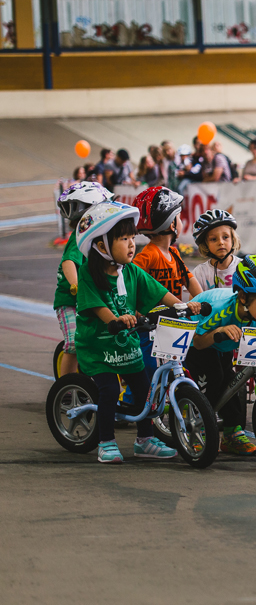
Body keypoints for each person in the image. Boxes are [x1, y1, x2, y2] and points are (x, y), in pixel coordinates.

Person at [74, 201, 189, 463]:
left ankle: (145, 440)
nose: (131, 244)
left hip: (126, 346)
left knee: (144, 390)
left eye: (131, 238)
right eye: (123, 238)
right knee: (110, 390)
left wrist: (183, 305)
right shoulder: (88, 273)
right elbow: (97, 307)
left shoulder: (132, 271)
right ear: (102, 245)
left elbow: (158, 292)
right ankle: (105, 442)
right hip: (97, 347)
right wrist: (115, 319)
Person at [188, 256, 256, 456]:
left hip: (223, 344)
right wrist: (220, 329)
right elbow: (198, 342)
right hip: (199, 342)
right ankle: (198, 428)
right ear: (243, 298)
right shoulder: (220, 309)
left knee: (233, 382)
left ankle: (232, 434)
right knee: (214, 379)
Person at [53, 182, 113, 377]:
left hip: (91, 299)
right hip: (70, 301)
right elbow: (69, 262)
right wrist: (76, 286)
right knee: (74, 343)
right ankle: (65, 389)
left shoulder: (101, 238)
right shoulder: (79, 238)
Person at [132, 187, 201, 302]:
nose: (181, 222)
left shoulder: (174, 253)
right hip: (153, 319)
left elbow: (189, 280)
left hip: (174, 316)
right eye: (179, 218)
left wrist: (204, 301)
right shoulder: (149, 255)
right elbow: (131, 281)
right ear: (172, 225)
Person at [191, 209, 241, 291]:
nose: (221, 242)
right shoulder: (200, 272)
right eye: (213, 239)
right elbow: (194, 301)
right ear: (205, 244)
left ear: (233, 239)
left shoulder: (243, 268)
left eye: (225, 237)